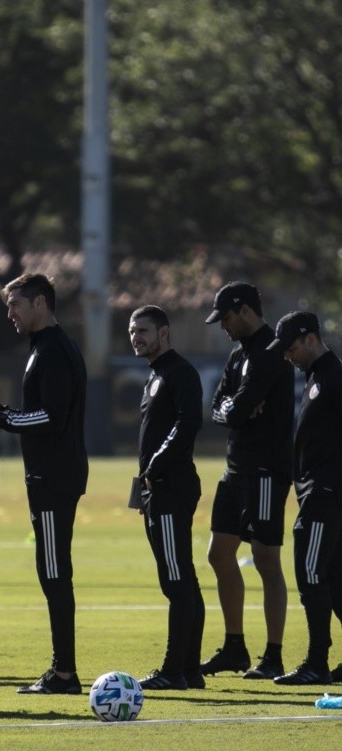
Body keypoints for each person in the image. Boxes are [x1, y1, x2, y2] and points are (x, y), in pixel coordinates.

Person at [0, 272, 87, 695]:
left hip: (54, 477)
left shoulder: (53, 351)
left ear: (40, 304)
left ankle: (64, 674)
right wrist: (4, 413)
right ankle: (62, 670)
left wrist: (0, 417)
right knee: (52, 571)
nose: (8, 313)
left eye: (15, 305)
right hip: (50, 475)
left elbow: (52, 417)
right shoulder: (44, 348)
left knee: (53, 572)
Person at [201, 282, 294, 679]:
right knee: (219, 554)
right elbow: (219, 407)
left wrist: (233, 409)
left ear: (243, 311)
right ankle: (235, 647)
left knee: (265, 559)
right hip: (235, 468)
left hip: (266, 470)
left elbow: (234, 409)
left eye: (224, 318)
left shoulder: (272, 351)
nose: (222, 326)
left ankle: (273, 654)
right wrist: (232, 409)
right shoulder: (240, 352)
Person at [128, 305, 206, 689]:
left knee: (177, 582)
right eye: (132, 331)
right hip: (155, 490)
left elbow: (188, 423)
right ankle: (190, 671)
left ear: (165, 332)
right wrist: (144, 484)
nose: (136, 337)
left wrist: (156, 465)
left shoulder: (180, 372)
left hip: (172, 490)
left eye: (143, 330)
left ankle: (174, 671)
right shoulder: (155, 374)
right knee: (182, 580)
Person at [267, 312, 342, 685]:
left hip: (324, 496)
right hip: (320, 494)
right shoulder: (316, 377)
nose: (287, 356)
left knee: (311, 573)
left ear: (311, 339)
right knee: (334, 577)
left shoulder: (333, 377)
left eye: (291, 348)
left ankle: (316, 662)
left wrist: (326, 488)